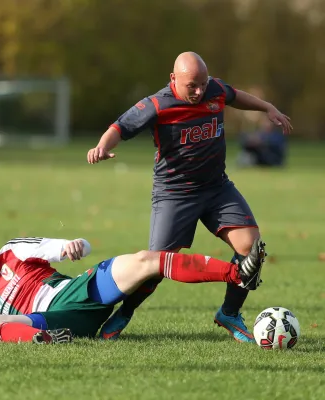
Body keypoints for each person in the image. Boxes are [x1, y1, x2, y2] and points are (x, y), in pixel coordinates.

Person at [87, 52, 291, 343]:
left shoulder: (214, 90)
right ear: (173, 79)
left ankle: (229, 313)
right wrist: (102, 146)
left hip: (217, 189)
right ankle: (124, 312)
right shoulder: (157, 104)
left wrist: (267, 107)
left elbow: (235, 96)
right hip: (174, 194)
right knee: (156, 265)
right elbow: (120, 126)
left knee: (251, 250)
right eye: (191, 86)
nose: (198, 91)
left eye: (202, 84)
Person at [0, 224, 266, 344]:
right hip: (51, 321)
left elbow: (60, 247)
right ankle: (43, 340)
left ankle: (238, 274)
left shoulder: (12, 251)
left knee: (146, 259)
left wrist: (72, 246)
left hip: (78, 292)